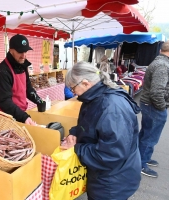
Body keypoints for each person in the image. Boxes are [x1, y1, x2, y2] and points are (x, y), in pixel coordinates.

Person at [62, 61, 141, 200]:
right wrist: (75, 132)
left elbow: (111, 154)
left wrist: (77, 149)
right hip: (105, 176)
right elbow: (88, 124)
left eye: (72, 88)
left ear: (86, 83)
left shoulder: (112, 107)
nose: (72, 92)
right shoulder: (94, 97)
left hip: (112, 182)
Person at [0, 34, 43, 125]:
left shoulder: (22, 65)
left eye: (25, 51)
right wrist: (24, 117)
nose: (24, 56)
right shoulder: (3, 71)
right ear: (11, 50)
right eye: (20, 52)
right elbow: (4, 101)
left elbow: (28, 89)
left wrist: (40, 101)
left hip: (19, 115)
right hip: (7, 118)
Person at [138, 41, 169, 178]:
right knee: (150, 137)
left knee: (146, 134)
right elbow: (156, 92)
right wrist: (162, 108)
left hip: (149, 105)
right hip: (153, 106)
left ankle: (143, 158)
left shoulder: (159, 62)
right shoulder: (163, 65)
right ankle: (141, 163)